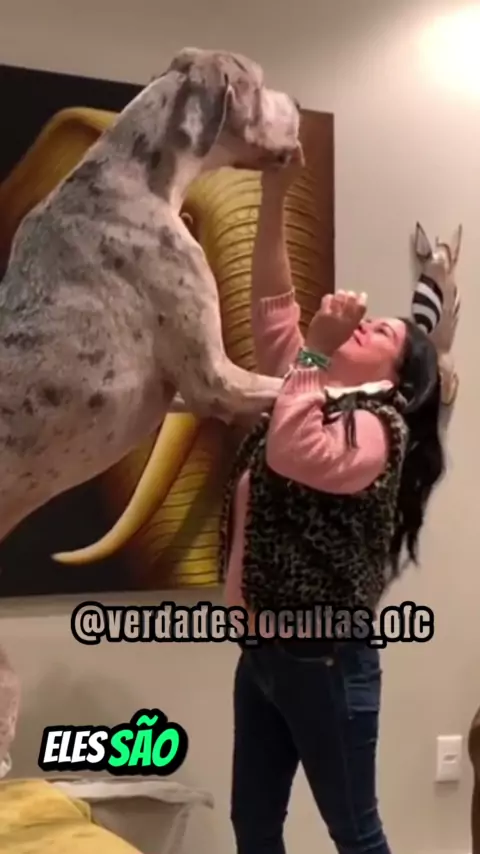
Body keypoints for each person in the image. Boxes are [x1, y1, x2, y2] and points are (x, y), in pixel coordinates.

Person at [219, 148, 445, 854]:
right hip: (264, 652)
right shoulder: (309, 388)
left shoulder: (379, 426)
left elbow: (293, 451)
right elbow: (272, 309)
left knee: (354, 832)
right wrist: (276, 193)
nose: (366, 324)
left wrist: (315, 350)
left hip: (325, 659)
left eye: (383, 333)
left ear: (395, 378)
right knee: (254, 824)